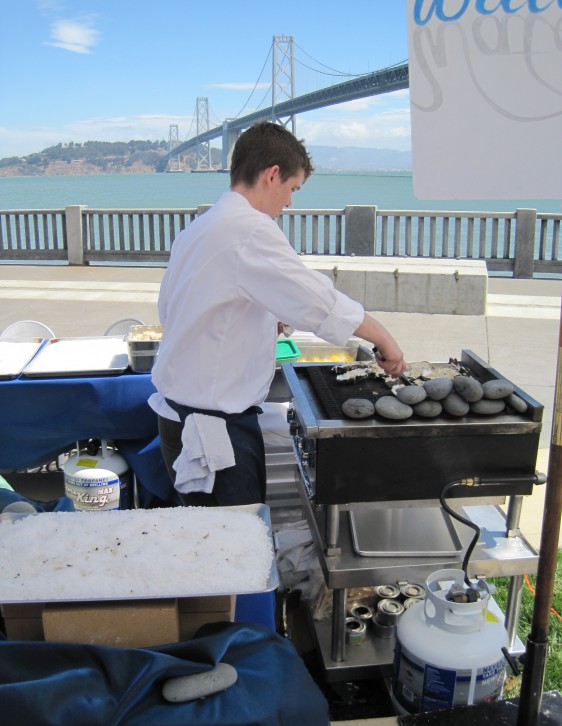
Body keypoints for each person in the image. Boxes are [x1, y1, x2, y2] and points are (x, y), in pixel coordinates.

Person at [149, 121, 406, 507]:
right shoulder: (250, 229)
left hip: (177, 420)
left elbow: (181, 309)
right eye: (292, 189)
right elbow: (317, 300)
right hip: (213, 432)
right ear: (272, 175)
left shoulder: (201, 227)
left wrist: (263, 316)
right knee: (234, 552)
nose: (289, 203)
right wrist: (384, 338)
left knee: (207, 545)